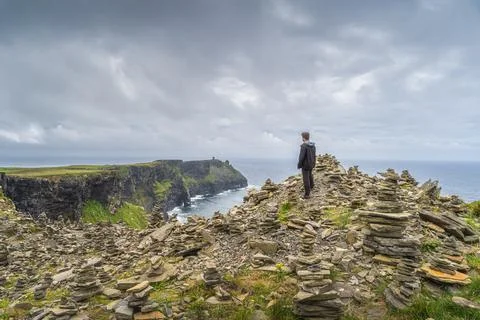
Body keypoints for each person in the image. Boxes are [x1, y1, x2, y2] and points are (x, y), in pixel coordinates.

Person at [297, 131, 316, 199]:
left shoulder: (304, 146)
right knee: (310, 174)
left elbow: (301, 157)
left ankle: (307, 194)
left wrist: (299, 165)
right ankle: (312, 185)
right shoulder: (313, 145)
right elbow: (314, 155)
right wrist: (314, 163)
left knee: (306, 179)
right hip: (311, 163)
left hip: (305, 165)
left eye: (302, 137)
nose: (302, 138)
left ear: (303, 137)